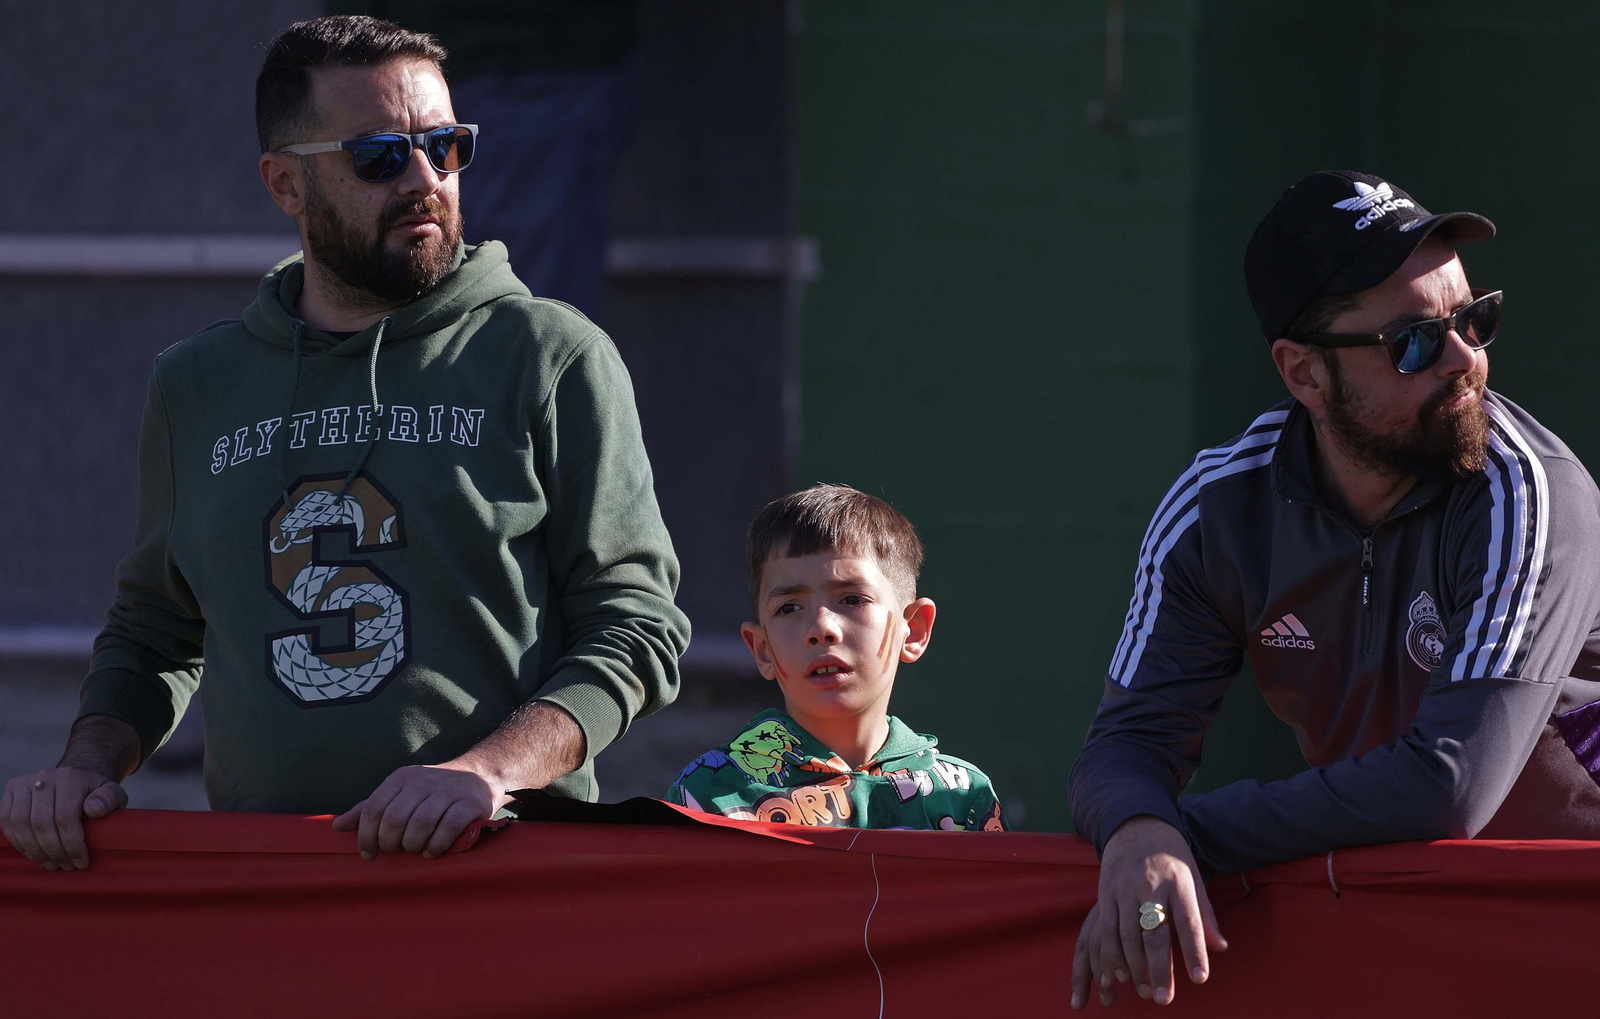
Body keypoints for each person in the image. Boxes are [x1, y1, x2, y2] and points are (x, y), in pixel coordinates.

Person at [1, 16, 689, 871]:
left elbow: (637, 627)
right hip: (278, 887)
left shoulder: (550, 354)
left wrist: (486, 774)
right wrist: (83, 769)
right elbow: (153, 630)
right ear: (286, 184)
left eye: (446, 146)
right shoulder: (195, 384)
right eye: (378, 156)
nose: (424, 178)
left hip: (502, 868)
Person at [1067, 170, 1600, 1009]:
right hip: (1389, 925)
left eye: (1475, 319)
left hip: (1568, 926)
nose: (1466, 359)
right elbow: (1126, 744)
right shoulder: (1217, 511)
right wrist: (1135, 823)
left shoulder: (1528, 492)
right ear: (1304, 374)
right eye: (1416, 342)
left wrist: (1172, 833)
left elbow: (1449, 784)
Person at [667, 485, 1005, 832]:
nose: (821, 628)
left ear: (914, 630)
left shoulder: (963, 797)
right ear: (762, 650)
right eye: (789, 607)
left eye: (853, 600)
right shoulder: (709, 795)